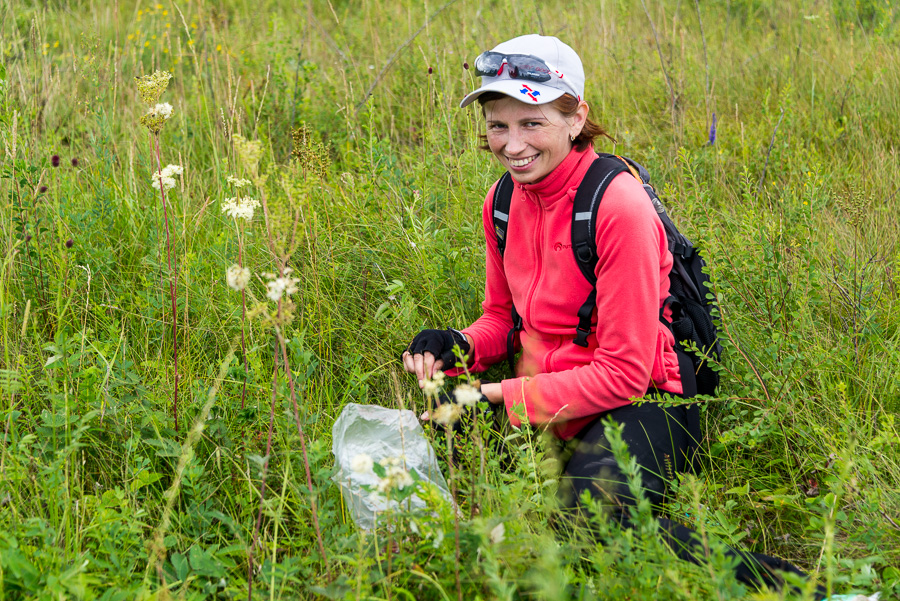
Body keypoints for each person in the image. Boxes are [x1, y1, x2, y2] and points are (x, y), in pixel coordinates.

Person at [401, 34, 822, 594]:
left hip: (642, 398)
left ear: (576, 117)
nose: (511, 144)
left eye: (532, 123)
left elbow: (624, 370)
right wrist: (456, 344)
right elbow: (501, 321)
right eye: (499, 125)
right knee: (432, 467)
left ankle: (801, 588)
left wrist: (498, 395)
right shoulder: (502, 200)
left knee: (589, 523)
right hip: (548, 391)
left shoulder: (617, 205)